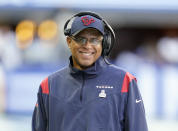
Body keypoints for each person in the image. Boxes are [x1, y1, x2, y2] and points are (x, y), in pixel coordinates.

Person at [32, 11, 148, 131]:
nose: (87, 45)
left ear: (104, 43)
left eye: (94, 40)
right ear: (69, 42)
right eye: (81, 39)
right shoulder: (49, 85)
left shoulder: (125, 81)